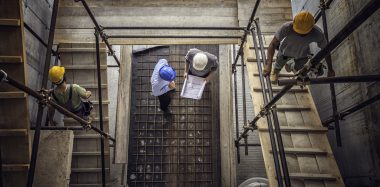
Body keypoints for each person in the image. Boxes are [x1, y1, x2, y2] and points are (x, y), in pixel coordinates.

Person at [263, 11, 333, 83]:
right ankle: (275, 71)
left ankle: (290, 65)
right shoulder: (286, 27)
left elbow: (326, 50)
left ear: (311, 27)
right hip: (285, 52)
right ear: (294, 22)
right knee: (278, 64)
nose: (299, 34)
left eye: (303, 33)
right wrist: (268, 65)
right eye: (297, 31)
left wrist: (330, 69)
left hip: (302, 55)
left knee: (301, 72)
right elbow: (273, 44)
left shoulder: (317, 33)